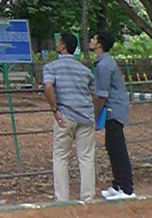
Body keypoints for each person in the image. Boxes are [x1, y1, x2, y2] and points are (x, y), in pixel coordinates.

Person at [42, 32, 95, 202]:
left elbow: (48, 86)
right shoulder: (85, 70)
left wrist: (54, 109)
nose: (57, 44)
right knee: (86, 157)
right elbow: (93, 93)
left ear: (63, 45)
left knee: (60, 156)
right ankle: (87, 199)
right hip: (86, 116)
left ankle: (62, 200)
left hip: (64, 115)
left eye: (59, 41)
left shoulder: (51, 67)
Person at [91, 31, 134, 200]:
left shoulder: (104, 65)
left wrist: (95, 116)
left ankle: (127, 188)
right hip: (114, 109)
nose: (92, 40)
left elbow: (102, 95)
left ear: (100, 44)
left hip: (113, 110)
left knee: (118, 148)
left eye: (94, 38)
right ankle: (118, 185)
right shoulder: (104, 62)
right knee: (111, 146)